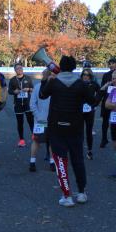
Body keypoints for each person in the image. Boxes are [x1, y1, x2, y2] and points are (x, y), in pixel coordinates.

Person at [39, 55, 89, 207]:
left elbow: (42, 95)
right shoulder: (80, 83)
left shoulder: (54, 82)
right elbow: (92, 100)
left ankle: (67, 196)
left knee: (61, 161)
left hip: (57, 127)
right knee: (78, 160)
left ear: (60, 66)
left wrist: (45, 80)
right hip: (76, 127)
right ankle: (81, 193)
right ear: (74, 67)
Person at [28, 68, 52, 172]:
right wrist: (39, 116)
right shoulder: (38, 87)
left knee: (40, 141)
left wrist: (38, 116)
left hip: (46, 120)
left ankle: (35, 162)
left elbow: (32, 104)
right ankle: (34, 162)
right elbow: (32, 104)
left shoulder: (40, 87)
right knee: (39, 141)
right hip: (44, 120)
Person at [8, 62, 34, 147]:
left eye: (21, 68)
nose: (19, 69)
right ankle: (21, 140)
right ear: (15, 70)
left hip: (28, 103)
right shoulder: (12, 80)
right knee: (20, 122)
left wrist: (28, 89)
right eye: (17, 68)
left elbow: (32, 89)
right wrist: (14, 91)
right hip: (18, 104)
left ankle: (34, 136)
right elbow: (9, 91)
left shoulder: (28, 78)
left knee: (31, 121)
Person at [79, 67, 100, 159]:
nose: (85, 76)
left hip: (90, 111)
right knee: (79, 131)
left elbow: (100, 93)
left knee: (89, 131)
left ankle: (89, 151)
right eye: (84, 74)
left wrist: (95, 104)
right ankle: (79, 150)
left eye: (87, 75)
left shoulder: (94, 84)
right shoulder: (78, 83)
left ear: (90, 76)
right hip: (79, 111)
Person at [98, 58, 116, 148]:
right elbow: (102, 88)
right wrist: (100, 100)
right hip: (107, 100)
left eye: (113, 63)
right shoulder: (106, 75)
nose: (111, 65)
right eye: (110, 64)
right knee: (105, 120)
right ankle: (104, 138)